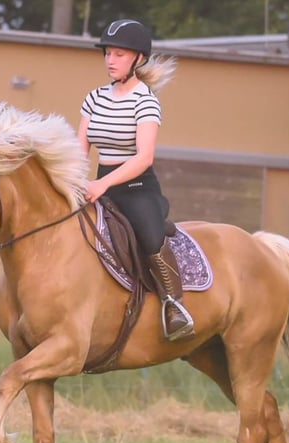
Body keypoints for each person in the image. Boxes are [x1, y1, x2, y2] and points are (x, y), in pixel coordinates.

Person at [77, 19, 194, 342]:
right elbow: (79, 150)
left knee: (150, 235)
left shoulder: (146, 101)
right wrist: (73, 181)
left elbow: (144, 157)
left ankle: (174, 305)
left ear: (138, 59)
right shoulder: (94, 98)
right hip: (98, 184)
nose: (110, 60)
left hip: (137, 188)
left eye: (119, 54)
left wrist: (102, 185)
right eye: (107, 54)